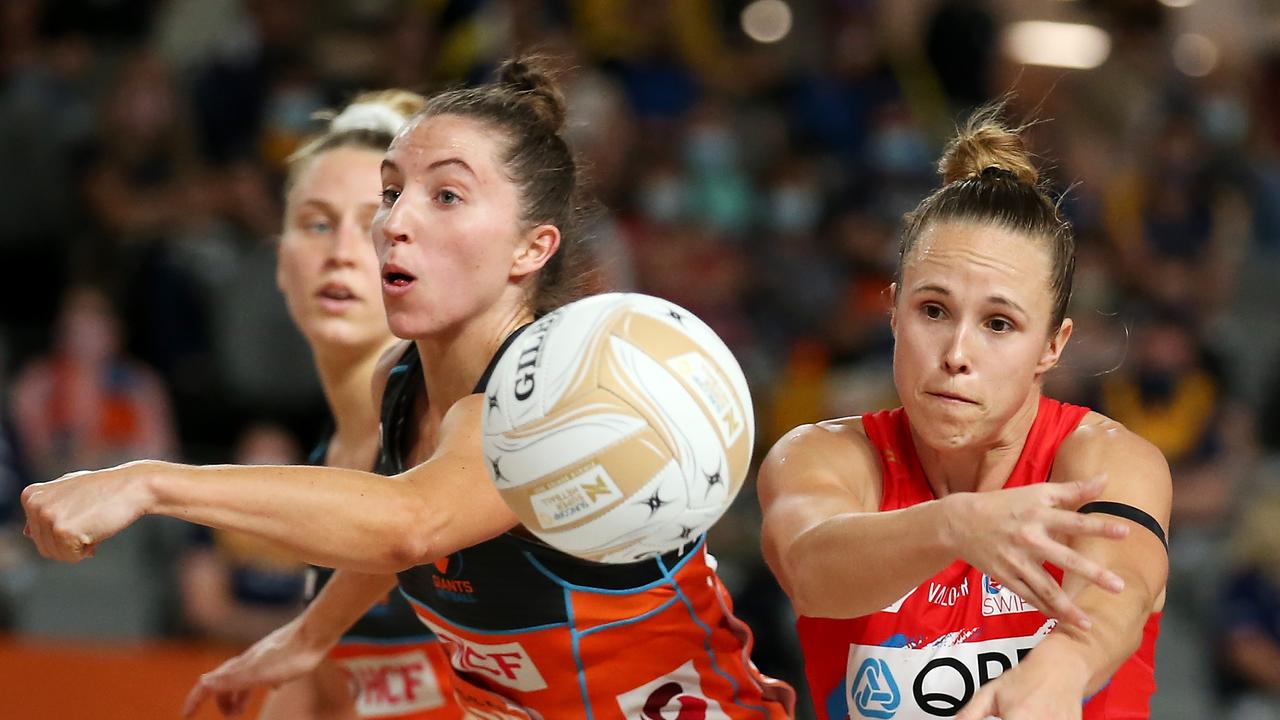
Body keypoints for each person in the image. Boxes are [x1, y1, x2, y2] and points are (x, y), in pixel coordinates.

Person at [23, 56, 794, 720]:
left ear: (533, 247)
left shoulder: (561, 399)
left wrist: (146, 481)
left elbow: (411, 525)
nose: (393, 222)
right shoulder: (400, 383)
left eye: (446, 196)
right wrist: (305, 638)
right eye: (391, 192)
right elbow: (394, 535)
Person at [757, 108, 1170, 719]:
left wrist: (1062, 667)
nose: (956, 355)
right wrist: (955, 525)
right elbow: (809, 568)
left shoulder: (1105, 458)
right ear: (893, 312)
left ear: (1052, 347)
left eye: (998, 324)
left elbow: (1125, 586)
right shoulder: (822, 456)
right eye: (932, 310)